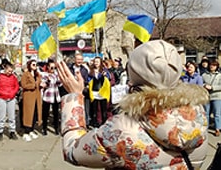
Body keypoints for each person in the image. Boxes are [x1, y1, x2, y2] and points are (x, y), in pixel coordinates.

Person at [57, 40, 209, 169]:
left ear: (134, 74)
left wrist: (74, 97)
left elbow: (73, 151)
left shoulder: (123, 128)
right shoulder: (198, 114)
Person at [0, 61, 19, 141]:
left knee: (11, 116)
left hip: (11, 98)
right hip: (1, 98)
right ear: (5, 69)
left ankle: (12, 131)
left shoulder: (13, 77)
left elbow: (16, 86)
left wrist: (13, 93)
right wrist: (1, 92)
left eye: (11, 71)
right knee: (1, 116)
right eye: (9, 71)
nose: (10, 72)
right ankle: (0, 131)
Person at [20, 59, 42, 142]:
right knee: (28, 114)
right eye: (33, 64)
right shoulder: (26, 74)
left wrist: (42, 84)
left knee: (35, 114)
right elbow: (23, 85)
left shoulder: (37, 74)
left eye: (36, 64)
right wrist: (34, 85)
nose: (35, 66)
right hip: (29, 97)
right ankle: (26, 132)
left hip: (36, 96)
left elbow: (39, 83)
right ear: (29, 65)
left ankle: (32, 130)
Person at [88, 56, 111, 127]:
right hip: (94, 92)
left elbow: (109, 77)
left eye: (98, 62)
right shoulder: (91, 71)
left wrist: (105, 75)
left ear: (100, 62)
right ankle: (95, 123)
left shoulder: (104, 70)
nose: (96, 63)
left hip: (102, 92)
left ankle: (104, 123)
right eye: (95, 62)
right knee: (94, 109)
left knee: (103, 109)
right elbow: (88, 79)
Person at [41, 60, 62, 136]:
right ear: (48, 67)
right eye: (51, 67)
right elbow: (43, 85)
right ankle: (44, 128)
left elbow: (60, 84)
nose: (53, 69)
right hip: (47, 96)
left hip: (55, 96)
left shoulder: (56, 74)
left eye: (54, 67)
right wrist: (48, 81)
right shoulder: (44, 75)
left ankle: (56, 129)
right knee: (45, 114)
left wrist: (59, 81)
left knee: (56, 113)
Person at [69, 53, 89, 126]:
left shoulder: (84, 70)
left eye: (81, 59)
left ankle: (84, 123)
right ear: (75, 60)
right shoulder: (69, 68)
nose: (79, 61)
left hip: (81, 92)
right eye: (78, 59)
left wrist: (80, 80)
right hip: (71, 91)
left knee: (82, 108)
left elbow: (86, 80)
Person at [202, 59, 221, 136]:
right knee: (206, 113)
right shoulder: (204, 75)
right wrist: (204, 86)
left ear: (217, 66)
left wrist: (212, 87)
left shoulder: (219, 75)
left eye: (214, 65)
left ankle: (217, 129)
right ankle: (205, 129)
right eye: (211, 65)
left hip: (217, 96)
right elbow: (201, 83)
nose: (212, 66)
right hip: (206, 96)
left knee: (217, 114)